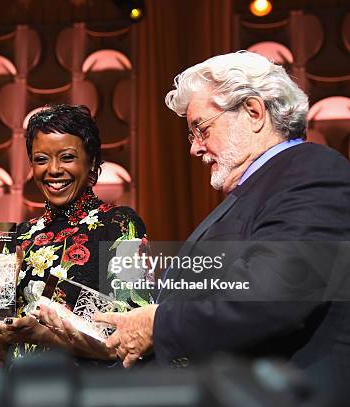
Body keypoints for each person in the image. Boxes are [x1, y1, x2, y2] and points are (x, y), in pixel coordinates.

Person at [93, 50, 350, 390]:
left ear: (254, 112)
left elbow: (271, 297)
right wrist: (104, 334)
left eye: (201, 129)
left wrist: (157, 325)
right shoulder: (265, 185)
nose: (194, 148)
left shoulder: (313, 172)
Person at [0, 104, 151, 362]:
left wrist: (48, 336)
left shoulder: (119, 223)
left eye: (67, 157)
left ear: (92, 162)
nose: (53, 170)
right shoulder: (19, 235)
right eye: (41, 159)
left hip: (88, 392)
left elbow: (134, 332)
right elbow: (3, 351)